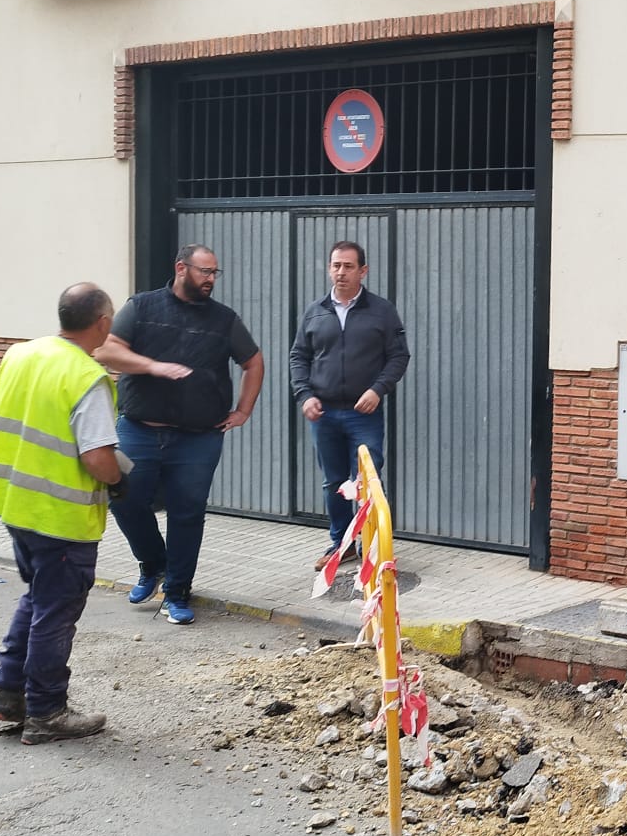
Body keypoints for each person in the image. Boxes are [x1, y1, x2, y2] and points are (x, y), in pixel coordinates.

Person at [0, 283, 125, 745]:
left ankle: (7, 694)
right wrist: (119, 480)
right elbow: (97, 458)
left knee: (38, 599)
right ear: (101, 324)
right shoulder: (86, 376)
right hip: (62, 516)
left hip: (15, 504)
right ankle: (47, 711)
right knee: (55, 613)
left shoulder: (20, 355)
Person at [94, 243, 264, 624]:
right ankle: (153, 564)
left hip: (198, 438)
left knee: (187, 515)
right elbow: (107, 352)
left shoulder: (224, 319)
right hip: (139, 430)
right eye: (205, 272)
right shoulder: (142, 307)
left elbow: (254, 362)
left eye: (215, 273)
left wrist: (244, 410)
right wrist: (152, 366)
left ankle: (177, 592)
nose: (210, 280)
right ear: (181, 269)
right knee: (124, 500)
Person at [288, 240, 411, 573]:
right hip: (324, 413)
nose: (340, 272)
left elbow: (399, 356)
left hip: (363, 413)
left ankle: (375, 548)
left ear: (363, 271)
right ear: (329, 268)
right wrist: (305, 394)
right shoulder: (315, 311)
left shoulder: (381, 311)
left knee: (368, 482)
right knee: (334, 482)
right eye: (335, 265)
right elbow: (299, 356)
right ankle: (342, 545)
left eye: (348, 266)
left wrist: (378, 389)